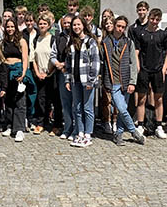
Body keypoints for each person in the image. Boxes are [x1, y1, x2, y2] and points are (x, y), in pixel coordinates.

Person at [101, 16, 145, 146]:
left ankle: (119, 134)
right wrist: (103, 81)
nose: (120, 29)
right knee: (121, 107)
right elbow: (103, 64)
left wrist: (133, 82)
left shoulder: (128, 42)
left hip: (126, 82)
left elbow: (133, 63)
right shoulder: (105, 42)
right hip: (113, 81)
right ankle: (134, 131)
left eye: (123, 27)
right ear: (114, 25)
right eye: (118, 26)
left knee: (122, 109)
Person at [134, 8, 167, 139]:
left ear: (160, 20)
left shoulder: (163, 34)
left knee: (159, 99)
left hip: (157, 70)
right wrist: (138, 67)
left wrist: (164, 68)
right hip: (144, 70)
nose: (154, 22)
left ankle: (159, 126)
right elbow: (136, 51)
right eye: (152, 19)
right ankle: (140, 125)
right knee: (142, 99)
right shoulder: (141, 33)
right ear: (149, 18)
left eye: (157, 20)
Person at [64, 15, 100, 147]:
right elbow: (68, 64)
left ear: (83, 25)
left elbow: (95, 62)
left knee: (87, 108)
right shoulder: (71, 42)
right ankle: (80, 133)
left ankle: (88, 134)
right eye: (74, 25)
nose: (76, 27)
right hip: (75, 80)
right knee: (77, 107)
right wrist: (67, 80)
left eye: (78, 24)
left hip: (87, 81)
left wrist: (91, 80)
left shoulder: (90, 42)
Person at [1, 18, 32, 142]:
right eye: (8, 27)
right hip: (7, 72)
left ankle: (19, 129)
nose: (10, 29)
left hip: (18, 71)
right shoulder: (3, 42)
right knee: (8, 100)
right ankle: (9, 125)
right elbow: (2, 57)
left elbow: (25, 58)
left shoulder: (21, 41)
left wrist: (23, 73)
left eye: (12, 27)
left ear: (16, 27)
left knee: (20, 100)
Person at [30, 15, 56, 134]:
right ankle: (40, 123)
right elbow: (33, 58)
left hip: (51, 74)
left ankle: (54, 124)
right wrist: (37, 72)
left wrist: (48, 72)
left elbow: (54, 57)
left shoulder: (53, 39)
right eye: (40, 24)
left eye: (44, 24)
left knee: (53, 99)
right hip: (39, 75)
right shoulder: (36, 39)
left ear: (49, 25)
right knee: (41, 100)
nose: (42, 26)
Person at [50, 14, 74, 139]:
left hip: (75, 74)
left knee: (76, 103)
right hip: (62, 74)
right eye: (65, 23)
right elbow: (53, 55)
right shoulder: (58, 38)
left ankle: (76, 130)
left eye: (69, 23)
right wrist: (57, 64)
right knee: (65, 103)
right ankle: (67, 128)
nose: (67, 25)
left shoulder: (77, 37)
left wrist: (66, 64)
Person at [98, 15, 117, 133]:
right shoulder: (102, 40)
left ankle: (115, 121)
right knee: (106, 99)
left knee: (116, 100)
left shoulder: (119, 38)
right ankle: (106, 121)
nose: (109, 25)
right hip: (105, 72)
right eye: (107, 23)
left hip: (116, 73)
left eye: (111, 23)